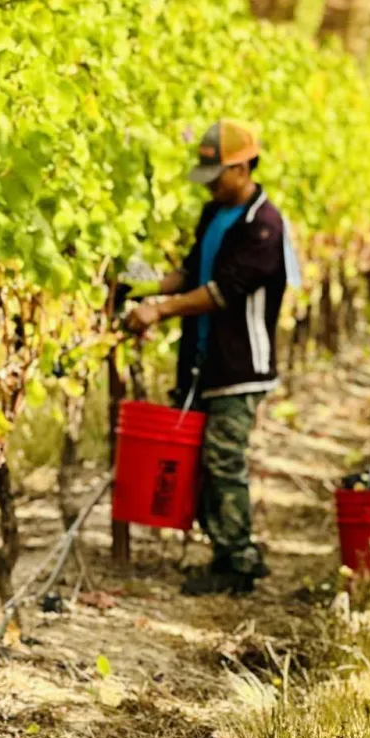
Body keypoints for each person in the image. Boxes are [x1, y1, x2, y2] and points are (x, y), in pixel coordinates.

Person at [125, 119, 292, 596]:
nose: (211, 186)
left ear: (242, 168)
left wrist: (161, 309)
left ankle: (238, 561)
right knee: (201, 463)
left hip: (240, 366)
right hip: (203, 361)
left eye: (217, 176)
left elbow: (221, 292)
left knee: (224, 461)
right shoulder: (213, 213)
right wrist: (142, 288)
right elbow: (192, 273)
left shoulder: (264, 225)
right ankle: (225, 552)